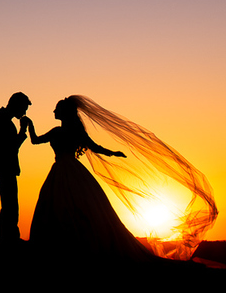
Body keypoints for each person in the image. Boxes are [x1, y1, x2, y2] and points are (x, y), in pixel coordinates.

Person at [27, 96, 154, 261]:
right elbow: (95, 148)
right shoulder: (69, 132)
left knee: (62, 205)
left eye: (57, 109)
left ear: (64, 112)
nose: (54, 111)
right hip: (71, 170)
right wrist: (113, 153)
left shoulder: (60, 132)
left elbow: (35, 140)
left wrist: (29, 125)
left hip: (64, 171)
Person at [0, 92, 31, 242]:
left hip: (3, 168)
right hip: (4, 168)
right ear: (16, 105)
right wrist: (23, 131)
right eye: (24, 108)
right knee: (10, 205)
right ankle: (10, 239)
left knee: (9, 205)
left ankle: (10, 237)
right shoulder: (1, 121)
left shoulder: (1, 119)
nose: (24, 112)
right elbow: (11, 147)